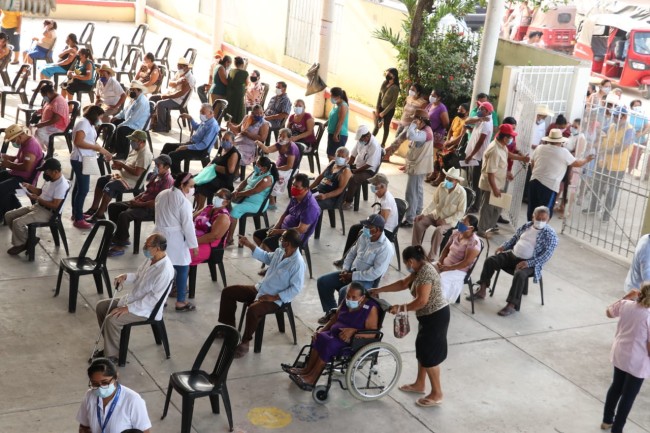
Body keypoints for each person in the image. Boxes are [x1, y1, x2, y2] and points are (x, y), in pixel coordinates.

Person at [370, 245, 449, 407]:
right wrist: (378, 289)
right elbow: (402, 283)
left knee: (430, 356)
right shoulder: (418, 270)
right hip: (426, 317)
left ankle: (437, 393)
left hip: (436, 316)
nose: (407, 266)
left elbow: (421, 301)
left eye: (407, 263)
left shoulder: (426, 273)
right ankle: (420, 384)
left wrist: (400, 308)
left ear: (411, 261)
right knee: (422, 350)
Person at [219, 229, 305, 358]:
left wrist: (274, 297)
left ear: (287, 243)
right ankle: (229, 329)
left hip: (276, 299)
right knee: (228, 292)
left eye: (281, 239)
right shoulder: (280, 252)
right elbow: (265, 257)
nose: (279, 241)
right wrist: (249, 244)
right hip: (261, 289)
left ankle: (246, 341)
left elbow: (296, 288)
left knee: (253, 310)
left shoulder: (297, 264)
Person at [94, 233, 175, 362]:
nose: (144, 248)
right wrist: (125, 276)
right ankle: (112, 345)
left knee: (112, 319)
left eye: (147, 245)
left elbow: (153, 300)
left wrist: (128, 308)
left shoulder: (164, 271)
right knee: (101, 307)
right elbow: (138, 276)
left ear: (157, 248)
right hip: (135, 299)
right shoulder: (151, 259)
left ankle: (113, 356)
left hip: (147, 309)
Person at [284, 282, 379, 389]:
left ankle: (312, 378)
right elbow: (334, 319)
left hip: (350, 341)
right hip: (334, 334)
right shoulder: (346, 302)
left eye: (354, 297)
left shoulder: (370, 308)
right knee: (320, 337)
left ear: (362, 297)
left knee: (329, 343)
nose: (350, 299)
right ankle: (306, 370)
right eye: (348, 295)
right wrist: (322, 330)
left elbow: (373, 334)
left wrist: (353, 331)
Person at [469, 206, 558, 316]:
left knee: (520, 275)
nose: (540, 221)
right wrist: (503, 247)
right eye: (538, 218)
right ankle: (482, 289)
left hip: (532, 263)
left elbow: (546, 256)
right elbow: (514, 239)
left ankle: (511, 305)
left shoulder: (550, 235)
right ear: (533, 216)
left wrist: (528, 263)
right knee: (491, 260)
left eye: (543, 219)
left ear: (548, 219)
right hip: (513, 255)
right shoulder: (527, 226)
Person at [317, 214, 393, 323]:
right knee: (323, 282)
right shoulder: (364, 236)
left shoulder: (385, 248)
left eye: (367, 227)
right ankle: (331, 313)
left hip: (368, 281)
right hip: (351, 272)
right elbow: (352, 253)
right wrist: (345, 270)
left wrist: (352, 276)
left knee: (345, 292)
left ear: (376, 230)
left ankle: (339, 320)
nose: (364, 229)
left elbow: (375, 273)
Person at [601, 285, 650, 433]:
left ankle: (607, 420)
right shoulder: (648, 315)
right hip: (637, 361)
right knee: (628, 396)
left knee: (616, 387)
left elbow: (609, 312)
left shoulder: (626, 305)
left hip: (620, 353)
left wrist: (626, 297)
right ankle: (617, 429)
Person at [107, 155, 174, 257]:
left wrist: (139, 204)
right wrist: (135, 198)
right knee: (113, 207)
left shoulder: (167, 181)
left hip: (151, 209)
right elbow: (146, 192)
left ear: (166, 167)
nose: (156, 166)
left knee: (124, 215)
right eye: (155, 164)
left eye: (158, 165)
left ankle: (120, 245)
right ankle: (121, 236)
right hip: (141, 203)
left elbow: (157, 201)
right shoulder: (155, 176)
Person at [84, 130, 152, 222]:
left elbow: (137, 173)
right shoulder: (135, 149)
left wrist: (123, 165)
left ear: (141, 141)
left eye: (133, 140)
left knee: (110, 186)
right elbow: (129, 165)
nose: (131, 142)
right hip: (123, 176)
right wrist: (119, 166)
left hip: (132, 181)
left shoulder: (144, 154)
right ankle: (94, 208)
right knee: (102, 180)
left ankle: (100, 214)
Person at [154, 172, 199, 312]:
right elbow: (188, 225)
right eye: (190, 186)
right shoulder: (184, 202)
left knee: (162, 269)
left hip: (158, 236)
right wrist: (194, 245)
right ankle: (181, 302)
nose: (192, 189)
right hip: (175, 239)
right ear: (182, 185)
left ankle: (161, 299)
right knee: (182, 269)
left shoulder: (162, 194)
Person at [5, 158, 69, 256]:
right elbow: (42, 192)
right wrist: (29, 187)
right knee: (9, 215)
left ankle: (22, 243)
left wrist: (38, 199)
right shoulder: (50, 179)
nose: (45, 174)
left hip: (48, 212)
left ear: (55, 171)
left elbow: (55, 206)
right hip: (38, 206)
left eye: (47, 172)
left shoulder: (61, 185)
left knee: (17, 222)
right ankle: (29, 240)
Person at [528, 128, 594, 221]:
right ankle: (539, 233)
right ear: (561, 141)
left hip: (534, 182)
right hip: (549, 186)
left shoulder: (540, 148)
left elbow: (532, 162)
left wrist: (534, 173)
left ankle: (529, 230)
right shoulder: (563, 152)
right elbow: (578, 163)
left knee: (532, 209)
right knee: (544, 214)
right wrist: (587, 159)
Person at [334, 173, 398, 265]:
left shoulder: (386, 201)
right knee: (354, 229)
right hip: (377, 223)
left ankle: (350, 261)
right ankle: (346, 258)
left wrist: (368, 229)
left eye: (375, 187)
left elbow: (382, 223)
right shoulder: (381, 195)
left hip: (385, 230)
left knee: (361, 233)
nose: (374, 189)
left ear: (383, 186)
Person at [584, 106, 634, 222]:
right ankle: (593, 207)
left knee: (612, 191)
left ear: (624, 117)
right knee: (597, 186)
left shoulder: (629, 130)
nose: (615, 118)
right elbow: (601, 131)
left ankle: (606, 214)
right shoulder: (612, 127)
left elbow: (622, 147)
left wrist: (605, 150)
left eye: (617, 116)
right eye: (614, 116)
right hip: (604, 163)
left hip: (617, 167)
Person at [77, 358, 152, 433]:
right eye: (95, 384)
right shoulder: (89, 396)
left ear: (116, 376)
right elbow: (84, 426)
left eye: (105, 382)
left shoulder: (133, 400)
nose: (100, 388)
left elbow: (144, 431)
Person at [69, 106, 113, 230]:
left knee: (78, 187)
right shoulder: (83, 123)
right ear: (95, 115)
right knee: (83, 190)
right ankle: (78, 219)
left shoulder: (89, 124)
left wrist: (105, 152)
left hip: (85, 158)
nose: (101, 119)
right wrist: (96, 148)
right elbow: (78, 142)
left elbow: (93, 142)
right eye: (100, 117)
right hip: (80, 159)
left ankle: (76, 213)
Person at [253, 173, 320, 251]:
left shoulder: (310, 206)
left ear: (305, 189)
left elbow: (301, 230)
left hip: (294, 237)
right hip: (283, 229)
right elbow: (285, 214)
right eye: (293, 185)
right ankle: (273, 259)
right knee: (257, 235)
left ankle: (277, 260)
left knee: (266, 244)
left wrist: (278, 232)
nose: (293, 188)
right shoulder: (295, 197)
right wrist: (275, 228)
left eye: (297, 187)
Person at [412, 167, 467, 262]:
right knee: (418, 221)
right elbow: (434, 202)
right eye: (447, 178)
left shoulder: (461, 193)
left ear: (456, 181)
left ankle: (431, 257)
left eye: (450, 180)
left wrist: (446, 220)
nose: (447, 181)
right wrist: (423, 213)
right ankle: (416, 250)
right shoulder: (442, 186)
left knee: (438, 231)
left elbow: (460, 212)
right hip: (436, 215)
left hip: (449, 220)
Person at [391, 109, 434, 227]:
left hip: (418, 167)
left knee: (411, 193)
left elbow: (410, 135)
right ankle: (417, 213)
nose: (413, 122)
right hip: (418, 166)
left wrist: (413, 124)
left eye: (415, 119)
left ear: (421, 120)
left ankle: (410, 219)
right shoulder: (424, 131)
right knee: (417, 190)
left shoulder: (426, 133)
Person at [475, 123, 516, 236]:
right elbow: (490, 173)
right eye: (510, 137)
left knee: (497, 208)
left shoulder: (502, 146)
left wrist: (507, 173)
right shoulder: (494, 150)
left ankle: (490, 228)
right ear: (505, 138)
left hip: (499, 182)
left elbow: (505, 159)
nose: (512, 139)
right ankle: (482, 230)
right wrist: (494, 188)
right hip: (491, 185)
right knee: (487, 209)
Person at [160, 103, 220, 175]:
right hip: (193, 144)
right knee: (167, 146)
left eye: (203, 112)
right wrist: (190, 118)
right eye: (200, 112)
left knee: (173, 155)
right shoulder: (206, 120)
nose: (201, 114)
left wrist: (187, 147)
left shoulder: (212, 125)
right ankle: (159, 169)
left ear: (211, 113)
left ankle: (177, 177)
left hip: (200, 150)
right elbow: (197, 127)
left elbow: (203, 145)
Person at [227, 156, 277, 244]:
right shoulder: (256, 172)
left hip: (256, 204)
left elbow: (254, 191)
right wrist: (237, 190)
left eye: (258, 165)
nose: (255, 166)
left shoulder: (268, 178)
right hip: (244, 198)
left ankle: (229, 239)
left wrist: (239, 194)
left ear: (264, 168)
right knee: (226, 204)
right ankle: (224, 234)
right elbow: (245, 182)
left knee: (234, 209)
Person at [0, 124, 43, 220]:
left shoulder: (31, 146)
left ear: (19, 136)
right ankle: (12, 207)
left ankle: (3, 214)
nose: (13, 143)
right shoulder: (24, 142)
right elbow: (18, 159)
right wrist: (4, 157)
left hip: (24, 179)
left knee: (2, 189)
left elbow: (27, 167)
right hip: (15, 173)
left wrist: (9, 164)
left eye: (13, 140)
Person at [435, 214, 481, 303]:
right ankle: (425, 299)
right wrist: (440, 261)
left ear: (471, 228)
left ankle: (438, 305)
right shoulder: (456, 233)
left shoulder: (473, 242)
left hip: (459, 270)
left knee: (440, 279)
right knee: (426, 270)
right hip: (445, 265)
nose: (460, 223)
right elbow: (446, 248)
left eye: (464, 222)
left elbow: (466, 262)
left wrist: (448, 268)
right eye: (461, 220)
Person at [193, 131, 241, 211]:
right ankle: (198, 207)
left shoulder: (234, 153)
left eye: (227, 140)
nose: (224, 141)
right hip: (213, 175)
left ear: (232, 142)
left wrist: (215, 167)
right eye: (223, 139)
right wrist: (206, 169)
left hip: (223, 181)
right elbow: (214, 160)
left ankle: (200, 209)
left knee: (203, 185)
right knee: (195, 179)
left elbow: (230, 171)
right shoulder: (222, 147)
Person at [255, 127, 300, 209]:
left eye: (283, 136)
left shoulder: (292, 148)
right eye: (280, 135)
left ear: (289, 139)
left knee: (271, 178)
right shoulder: (280, 143)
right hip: (279, 166)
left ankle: (272, 202)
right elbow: (268, 149)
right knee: (263, 172)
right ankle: (264, 196)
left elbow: (289, 166)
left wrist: (276, 169)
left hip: (288, 170)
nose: (280, 138)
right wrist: (261, 145)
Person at [462, 101, 494, 212]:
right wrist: (479, 119)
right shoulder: (482, 118)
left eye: (481, 108)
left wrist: (471, 155)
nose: (479, 110)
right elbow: (467, 121)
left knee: (475, 183)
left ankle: (475, 206)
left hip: (477, 157)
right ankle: (471, 202)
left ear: (487, 111)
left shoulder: (487, 123)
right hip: (472, 156)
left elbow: (480, 142)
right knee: (471, 180)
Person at [150, 57, 195, 133]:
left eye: (181, 67)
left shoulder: (190, 78)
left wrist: (167, 96)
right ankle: (151, 121)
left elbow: (181, 93)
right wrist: (178, 82)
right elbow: (170, 83)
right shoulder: (179, 73)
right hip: (171, 95)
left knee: (160, 104)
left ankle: (162, 126)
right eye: (178, 67)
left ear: (186, 67)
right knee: (152, 98)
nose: (179, 69)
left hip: (178, 100)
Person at [342, 125, 382, 210]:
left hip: (369, 171)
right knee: (342, 171)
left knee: (353, 179)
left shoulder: (374, 145)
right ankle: (341, 196)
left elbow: (369, 164)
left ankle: (348, 202)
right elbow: (353, 154)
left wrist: (355, 171)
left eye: (361, 139)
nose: (360, 141)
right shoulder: (361, 141)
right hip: (359, 166)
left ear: (367, 136)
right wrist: (347, 166)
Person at [190, 188, 232, 265]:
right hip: (195, 238)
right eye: (216, 195)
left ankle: (180, 275)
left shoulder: (223, 216)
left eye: (220, 196)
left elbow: (212, 237)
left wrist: (191, 242)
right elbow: (192, 218)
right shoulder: (208, 208)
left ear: (226, 202)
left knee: (182, 252)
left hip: (209, 246)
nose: (216, 197)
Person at [110, 81, 150, 159]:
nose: (131, 92)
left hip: (137, 124)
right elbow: (125, 111)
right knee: (114, 122)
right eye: (131, 90)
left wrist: (121, 124)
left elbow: (133, 119)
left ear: (139, 91)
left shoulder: (142, 102)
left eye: (133, 90)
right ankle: (112, 147)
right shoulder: (134, 99)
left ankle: (122, 153)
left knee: (121, 129)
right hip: (131, 121)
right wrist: (117, 117)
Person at [227, 104, 270, 174]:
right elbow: (238, 128)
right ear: (252, 113)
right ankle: (228, 169)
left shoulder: (264, 123)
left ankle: (235, 173)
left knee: (236, 153)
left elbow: (262, 138)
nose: (259, 115)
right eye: (256, 113)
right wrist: (231, 126)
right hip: (238, 140)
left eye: (261, 113)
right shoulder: (247, 117)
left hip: (250, 146)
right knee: (226, 147)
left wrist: (248, 134)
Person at [309, 146, 352, 211]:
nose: (340, 158)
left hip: (332, 198)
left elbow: (340, 189)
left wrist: (325, 196)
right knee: (300, 196)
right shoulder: (332, 163)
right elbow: (320, 177)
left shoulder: (345, 171)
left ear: (347, 159)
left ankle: (308, 221)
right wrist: (309, 188)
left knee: (312, 204)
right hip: (319, 192)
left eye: (342, 157)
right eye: (338, 155)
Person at [33, 83, 69, 152]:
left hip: (58, 126)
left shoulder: (59, 102)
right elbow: (47, 108)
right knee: (34, 130)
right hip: (49, 123)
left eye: (44, 96)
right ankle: (39, 150)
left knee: (40, 131)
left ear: (48, 93)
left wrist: (42, 124)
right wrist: (39, 111)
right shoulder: (52, 98)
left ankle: (50, 149)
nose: (44, 98)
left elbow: (55, 119)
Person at [424, 89, 450, 182]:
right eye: (431, 94)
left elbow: (446, 124)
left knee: (436, 155)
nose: (431, 96)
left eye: (434, 95)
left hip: (437, 134)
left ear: (439, 97)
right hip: (427, 132)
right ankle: (430, 172)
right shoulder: (430, 105)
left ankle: (436, 174)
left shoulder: (442, 108)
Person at [437, 103, 470, 175]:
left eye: (461, 110)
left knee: (444, 156)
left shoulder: (467, 121)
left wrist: (450, 144)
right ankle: (437, 173)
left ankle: (442, 175)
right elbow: (450, 131)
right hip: (450, 141)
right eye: (458, 109)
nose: (459, 111)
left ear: (467, 112)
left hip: (457, 144)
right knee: (438, 152)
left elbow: (461, 136)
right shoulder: (456, 118)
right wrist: (447, 141)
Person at [372, 68, 400, 148]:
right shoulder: (384, 83)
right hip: (381, 107)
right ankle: (370, 139)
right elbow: (379, 95)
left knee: (386, 126)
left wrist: (384, 112)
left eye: (389, 74)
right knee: (376, 125)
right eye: (386, 73)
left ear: (394, 76)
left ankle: (383, 144)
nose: (387, 75)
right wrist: (377, 108)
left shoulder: (395, 87)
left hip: (389, 110)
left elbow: (393, 103)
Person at [326, 87, 349, 160]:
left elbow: (341, 121)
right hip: (332, 132)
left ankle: (333, 171)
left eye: (332, 96)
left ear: (338, 97)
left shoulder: (343, 106)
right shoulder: (336, 105)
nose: (331, 97)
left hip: (339, 134)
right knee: (330, 155)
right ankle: (330, 171)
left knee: (334, 157)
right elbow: (332, 118)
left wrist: (336, 134)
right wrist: (326, 124)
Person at [225, 56, 248, 124]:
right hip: (239, 95)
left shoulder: (231, 71)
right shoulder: (245, 73)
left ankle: (228, 123)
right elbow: (247, 83)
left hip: (230, 93)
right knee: (238, 111)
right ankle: (235, 125)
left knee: (230, 109)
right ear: (242, 64)